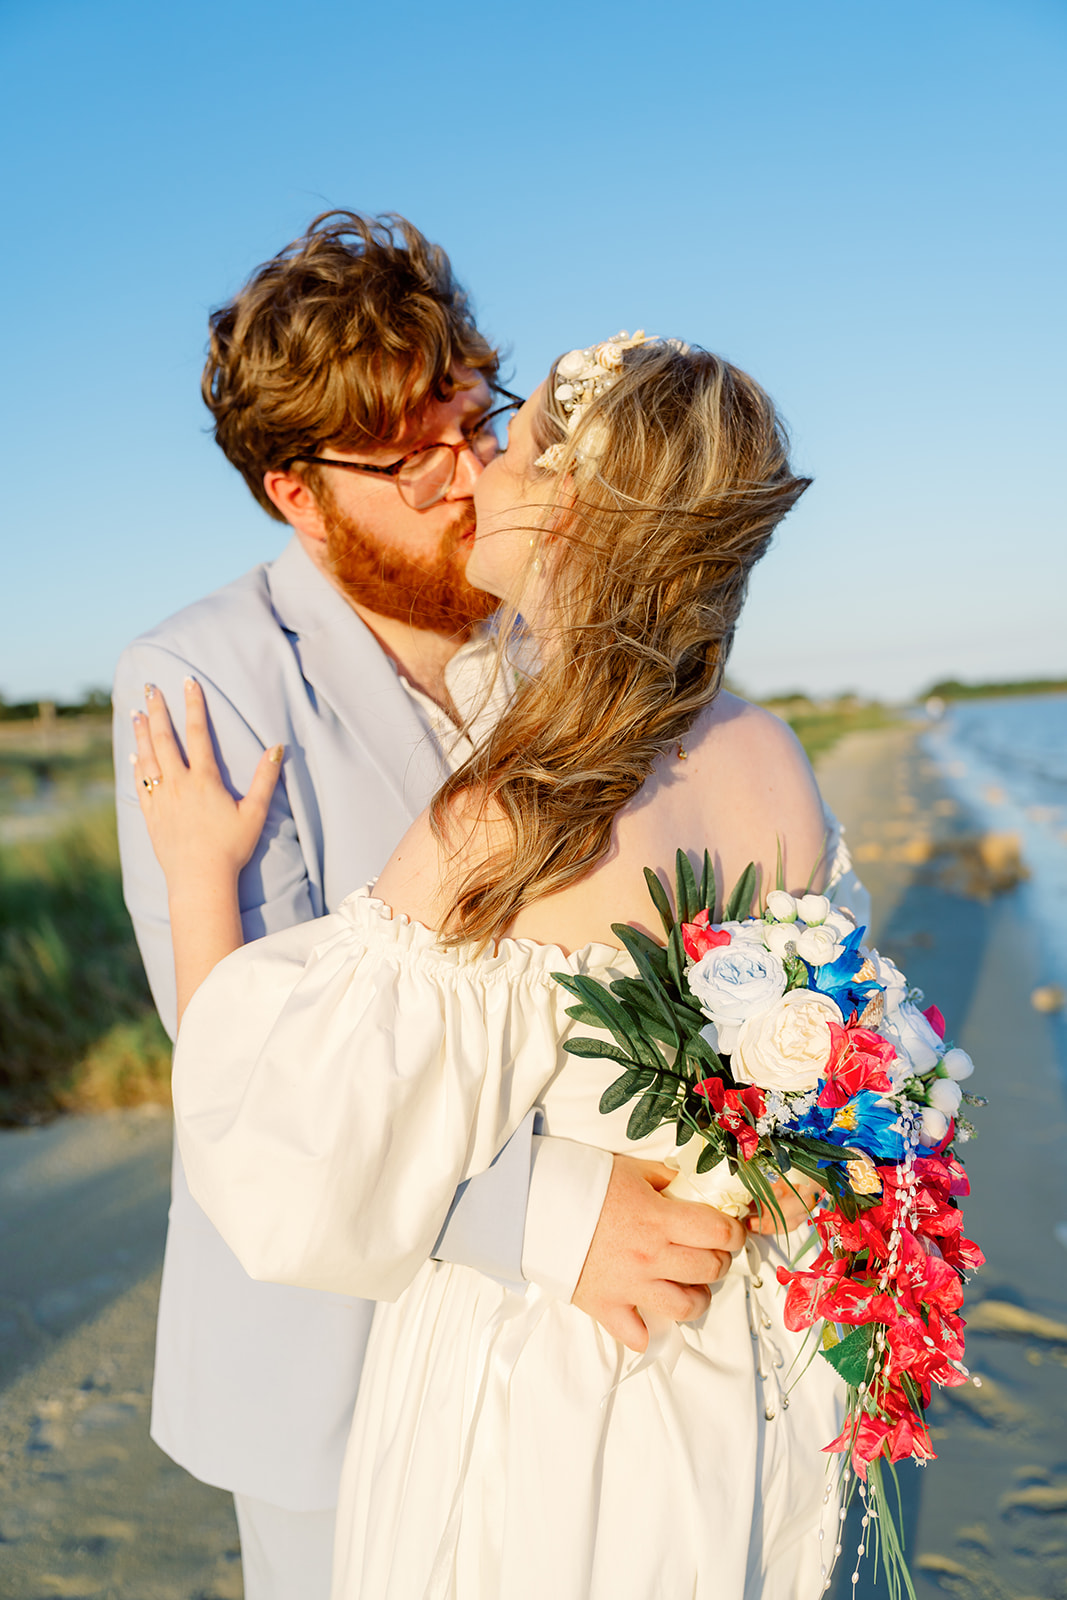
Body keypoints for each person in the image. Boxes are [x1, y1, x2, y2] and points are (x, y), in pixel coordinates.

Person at [134, 332, 869, 1597]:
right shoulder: (769, 755)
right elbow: (833, 1068)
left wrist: (201, 878)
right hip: (732, 1373)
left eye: (504, 444)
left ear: (572, 509)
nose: (471, 472)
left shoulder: (511, 810)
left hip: (539, 1383)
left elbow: (283, 1139)